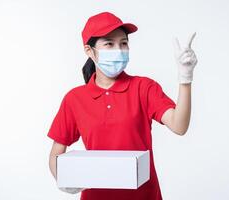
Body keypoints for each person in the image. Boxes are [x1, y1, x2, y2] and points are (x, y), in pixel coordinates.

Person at [47, 11, 197, 200]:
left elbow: (179, 126)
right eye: (109, 43)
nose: (118, 49)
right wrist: (63, 178)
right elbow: (55, 154)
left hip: (144, 195)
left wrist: (185, 78)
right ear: (89, 50)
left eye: (123, 43)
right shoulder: (75, 99)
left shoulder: (144, 87)